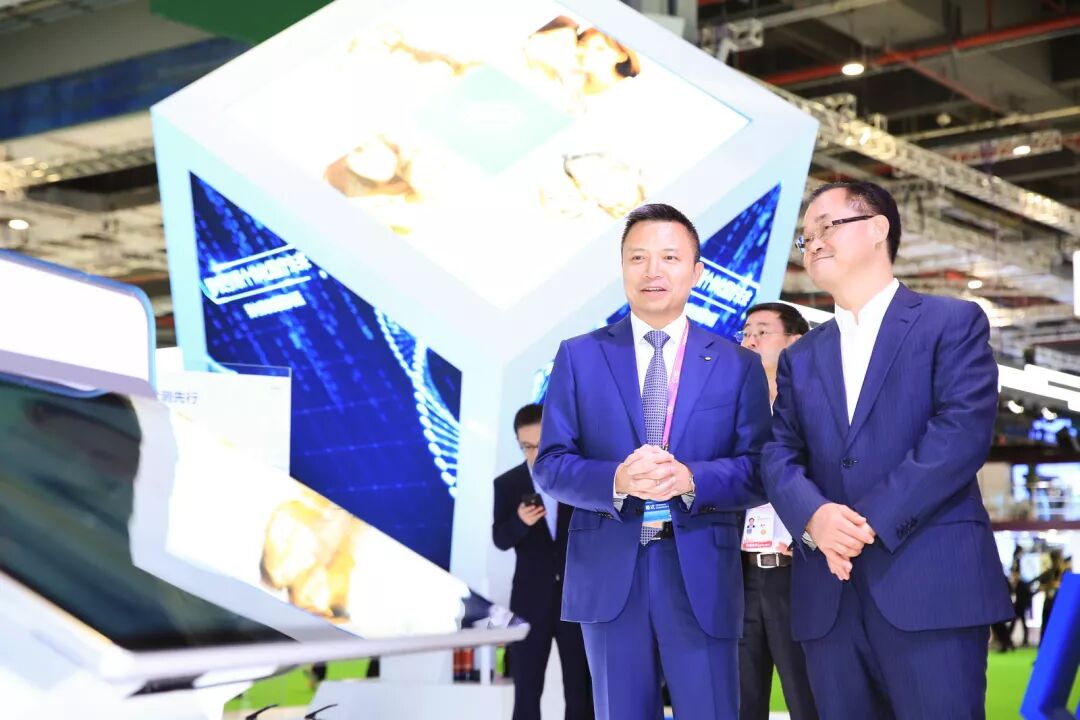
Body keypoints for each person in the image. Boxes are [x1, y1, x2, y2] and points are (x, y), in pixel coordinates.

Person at [763, 180, 1013, 719]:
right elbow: (778, 453)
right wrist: (814, 517)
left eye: (827, 226)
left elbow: (959, 435)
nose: (814, 243)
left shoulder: (951, 322)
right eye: (806, 237)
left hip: (932, 588)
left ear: (878, 229)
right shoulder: (801, 357)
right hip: (828, 598)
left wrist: (865, 521)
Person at [534, 203, 771, 719]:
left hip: (702, 571)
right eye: (638, 257)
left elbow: (759, 469)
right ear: (622, 267)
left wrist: (692, 478)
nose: (652, 271)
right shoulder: (579, 356)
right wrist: (616, 479)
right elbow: (550, 464)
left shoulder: (736, 364)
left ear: (697, 271)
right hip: (609, 572)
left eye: (669, 257)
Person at [736, 303, 818, 720]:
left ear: (794, 343)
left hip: (798, 574)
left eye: (762, 332)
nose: (750, 341)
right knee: (741, 701)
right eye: (746, 332)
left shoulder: (817, 410)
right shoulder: (731, 412)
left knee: (806, 698)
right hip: (740, 575)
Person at [493, 403, 593, 720]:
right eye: (526, 447)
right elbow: (500, 539)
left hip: (575, 601)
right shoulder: (507, 484)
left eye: (539, 444)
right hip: (529, 602)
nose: (534, 454)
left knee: (580, 690)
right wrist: (520, 521)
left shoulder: (576, 478)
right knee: (526, 690)